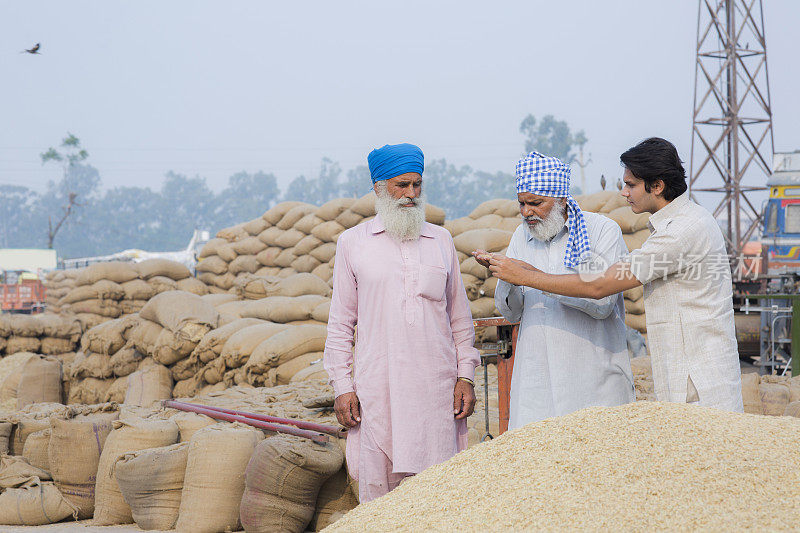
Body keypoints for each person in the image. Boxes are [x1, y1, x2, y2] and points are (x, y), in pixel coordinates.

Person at [484, 138, 743, 412]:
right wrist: (521, 274)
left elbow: (600, 288)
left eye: (631, 185)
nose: (624, 192)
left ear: (657, 186)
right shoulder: (680, 225)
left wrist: (527, 277)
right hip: (542, 383)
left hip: (699, 380)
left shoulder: (680, 232)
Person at [323, 143, 480, 503]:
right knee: (380, 498)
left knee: (440, 494)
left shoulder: (441, 241)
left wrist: (466, 375)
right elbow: (340, 325)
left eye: (417, 185)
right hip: (378, 388)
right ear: (378, 187)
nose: (411, 194)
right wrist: (342, 386)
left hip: (436, 391)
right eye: (401, 185)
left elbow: (460, 319)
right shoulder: (353, 243)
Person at [474, 151, 634, 427]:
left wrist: (531, 277)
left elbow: (602, 303)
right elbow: (511, 313)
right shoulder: (522, 236)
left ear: (561, 198)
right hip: (537, 387)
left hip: (593, 384)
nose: (527, 212)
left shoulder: (601, 231)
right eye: (522, 204)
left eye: (536, 203)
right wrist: (507, 276)